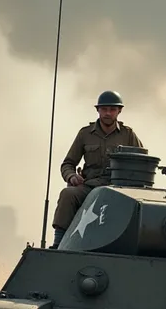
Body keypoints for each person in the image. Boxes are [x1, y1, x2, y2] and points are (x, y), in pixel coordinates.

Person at [51, 90, 144, 248]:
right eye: (104, 109)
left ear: (119, 111)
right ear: (98, 110)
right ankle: (59, 243)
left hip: (119, 189)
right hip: (90, 187)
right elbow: (68, 163)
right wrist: (71, 176)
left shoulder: (128, 135)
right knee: (68, 194)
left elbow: (142, 161)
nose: (108, 113)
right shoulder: (85, 134)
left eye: (112, 109)